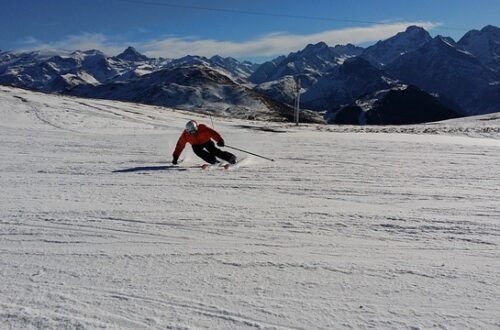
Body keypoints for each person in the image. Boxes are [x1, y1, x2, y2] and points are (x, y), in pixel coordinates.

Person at [172, 120, 237, 165]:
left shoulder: (202, 128)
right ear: (188, 131)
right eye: (191, 132)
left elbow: (213, 133)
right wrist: (175, 157)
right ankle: (212, 160)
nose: (193, 133)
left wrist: (220, 140)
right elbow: (180, 145)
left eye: (194, 131)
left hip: (206, 141)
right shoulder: (185, 135)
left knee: (214, 151)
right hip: (196, 145)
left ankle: (230, 157)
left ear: (196, 128)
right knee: (198, 152)